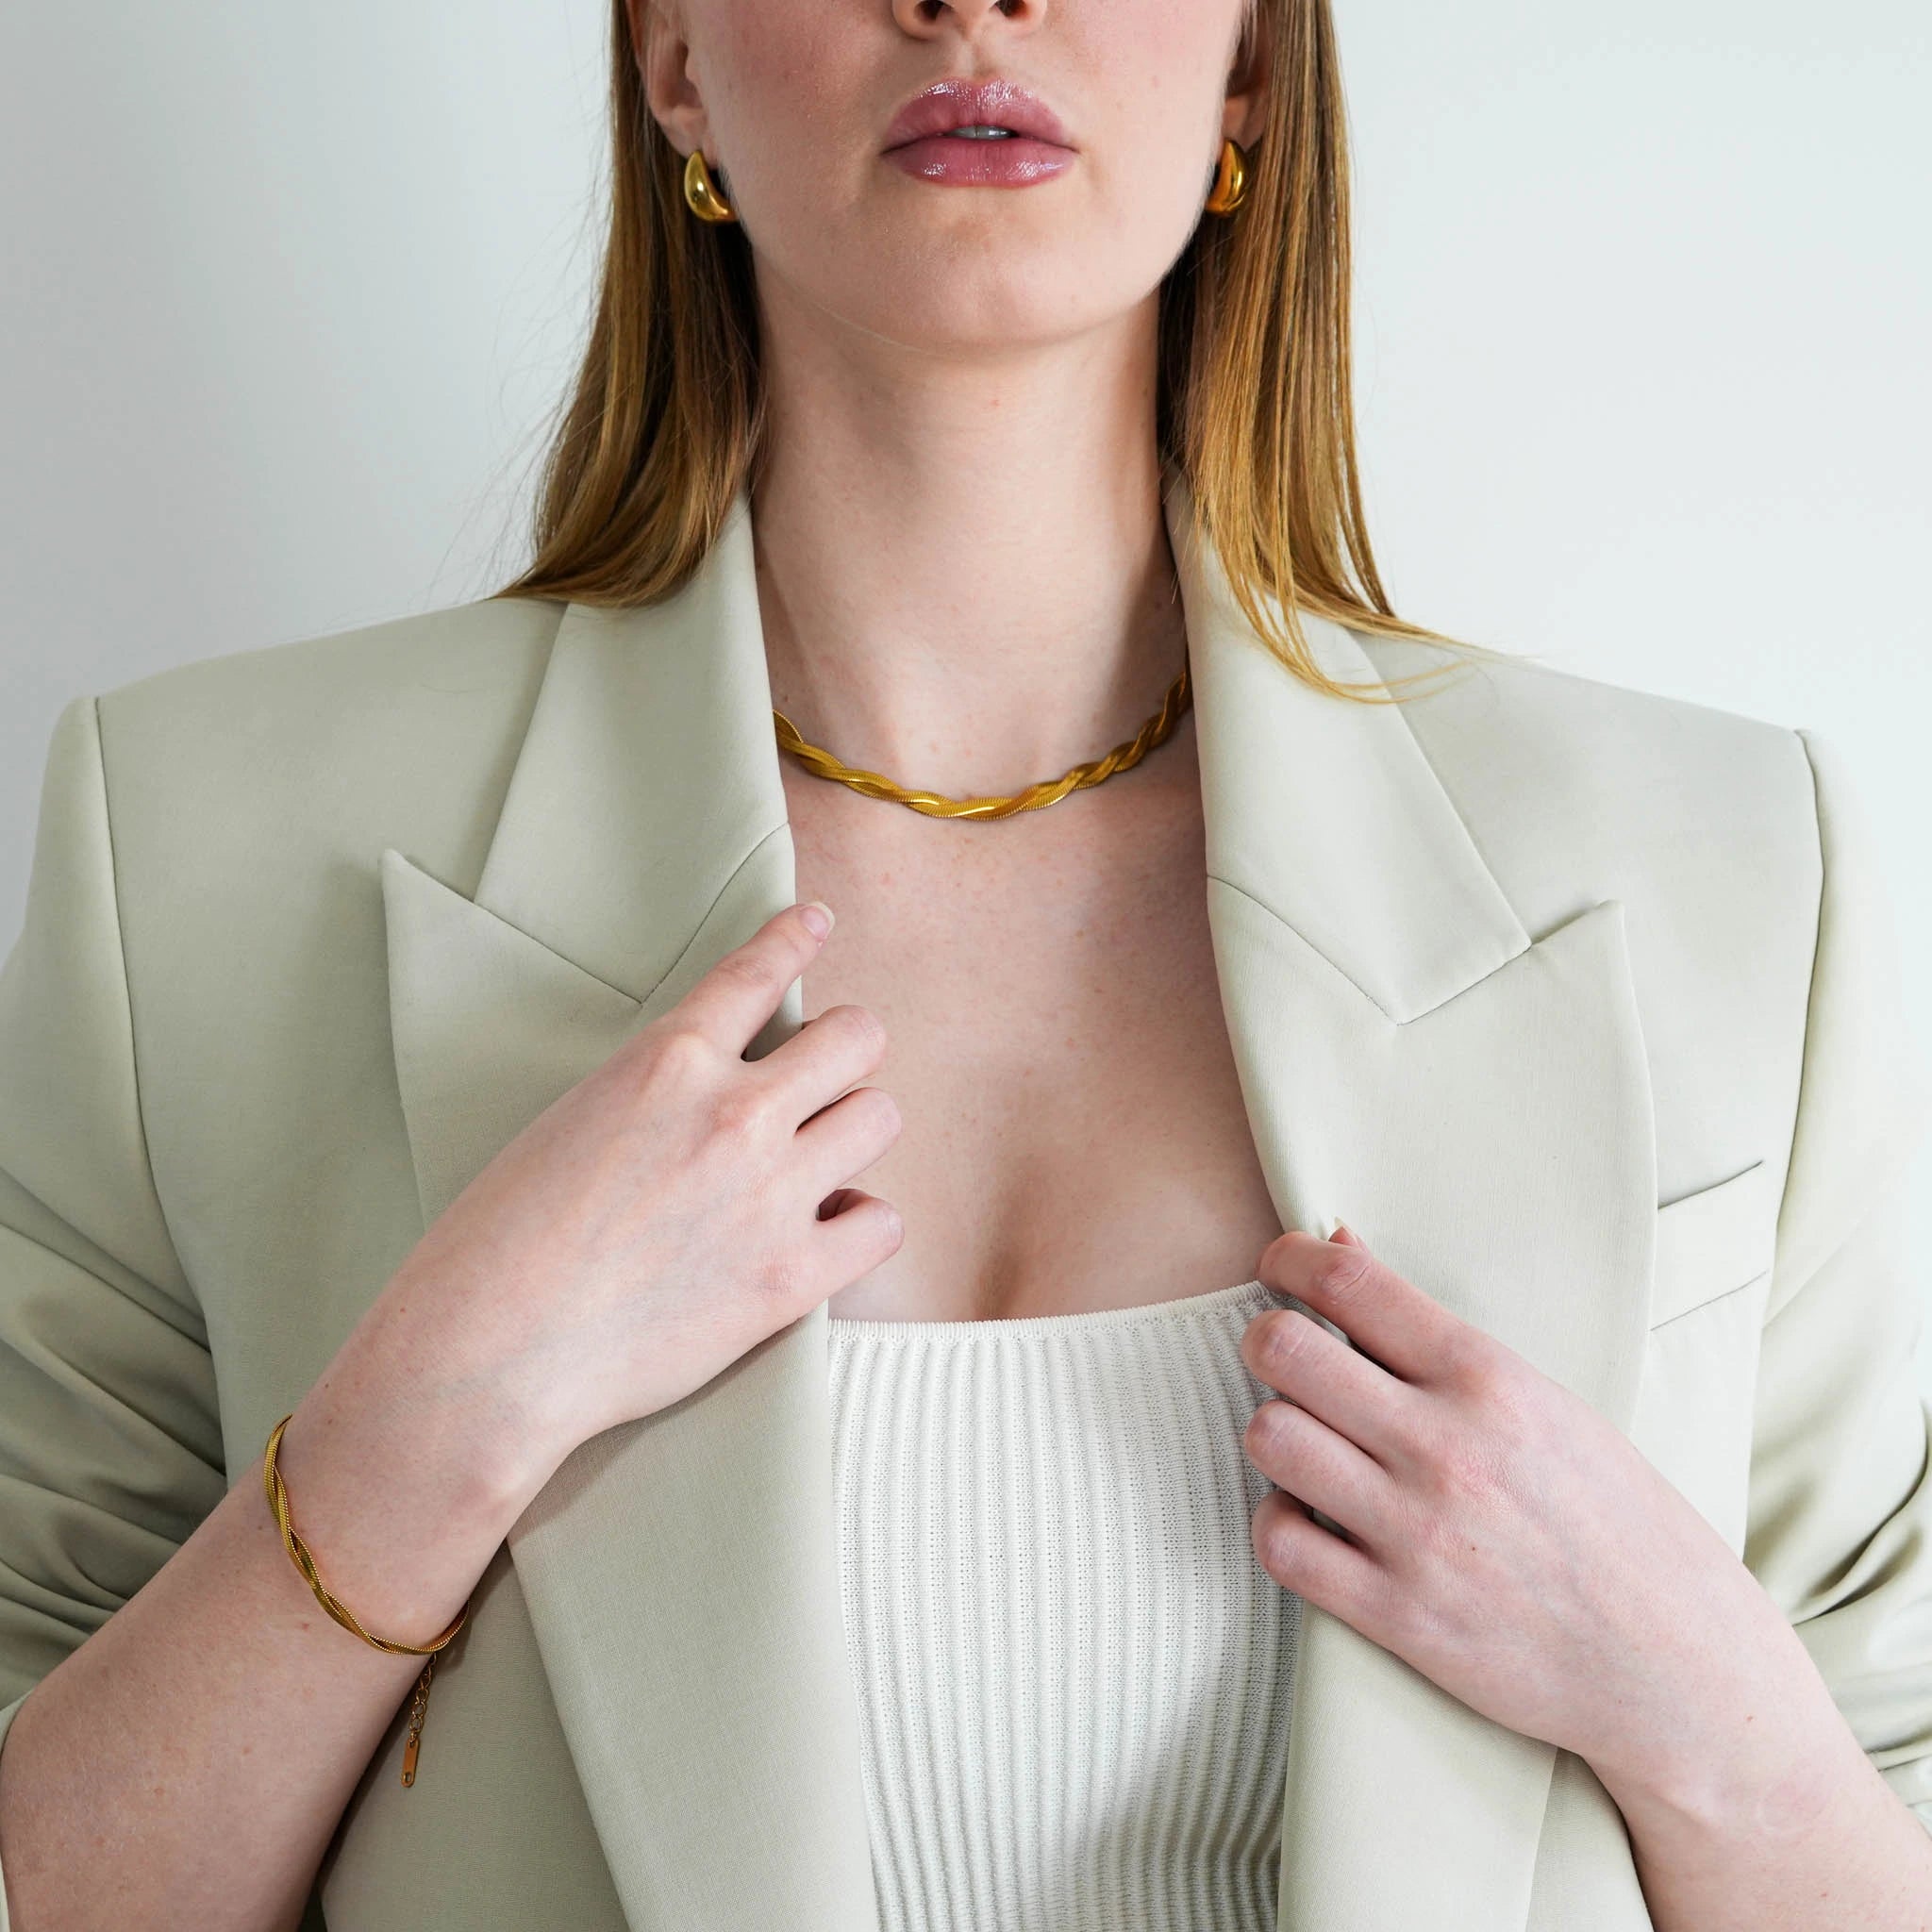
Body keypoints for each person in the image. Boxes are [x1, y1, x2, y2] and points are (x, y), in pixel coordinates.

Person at [2, 1, 1930, 1926]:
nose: (970, 2)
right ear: (674, 58)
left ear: (1252, 61)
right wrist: (435, 1419)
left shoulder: (1730, 874)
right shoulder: (192, 854)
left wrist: (1684, 1689)